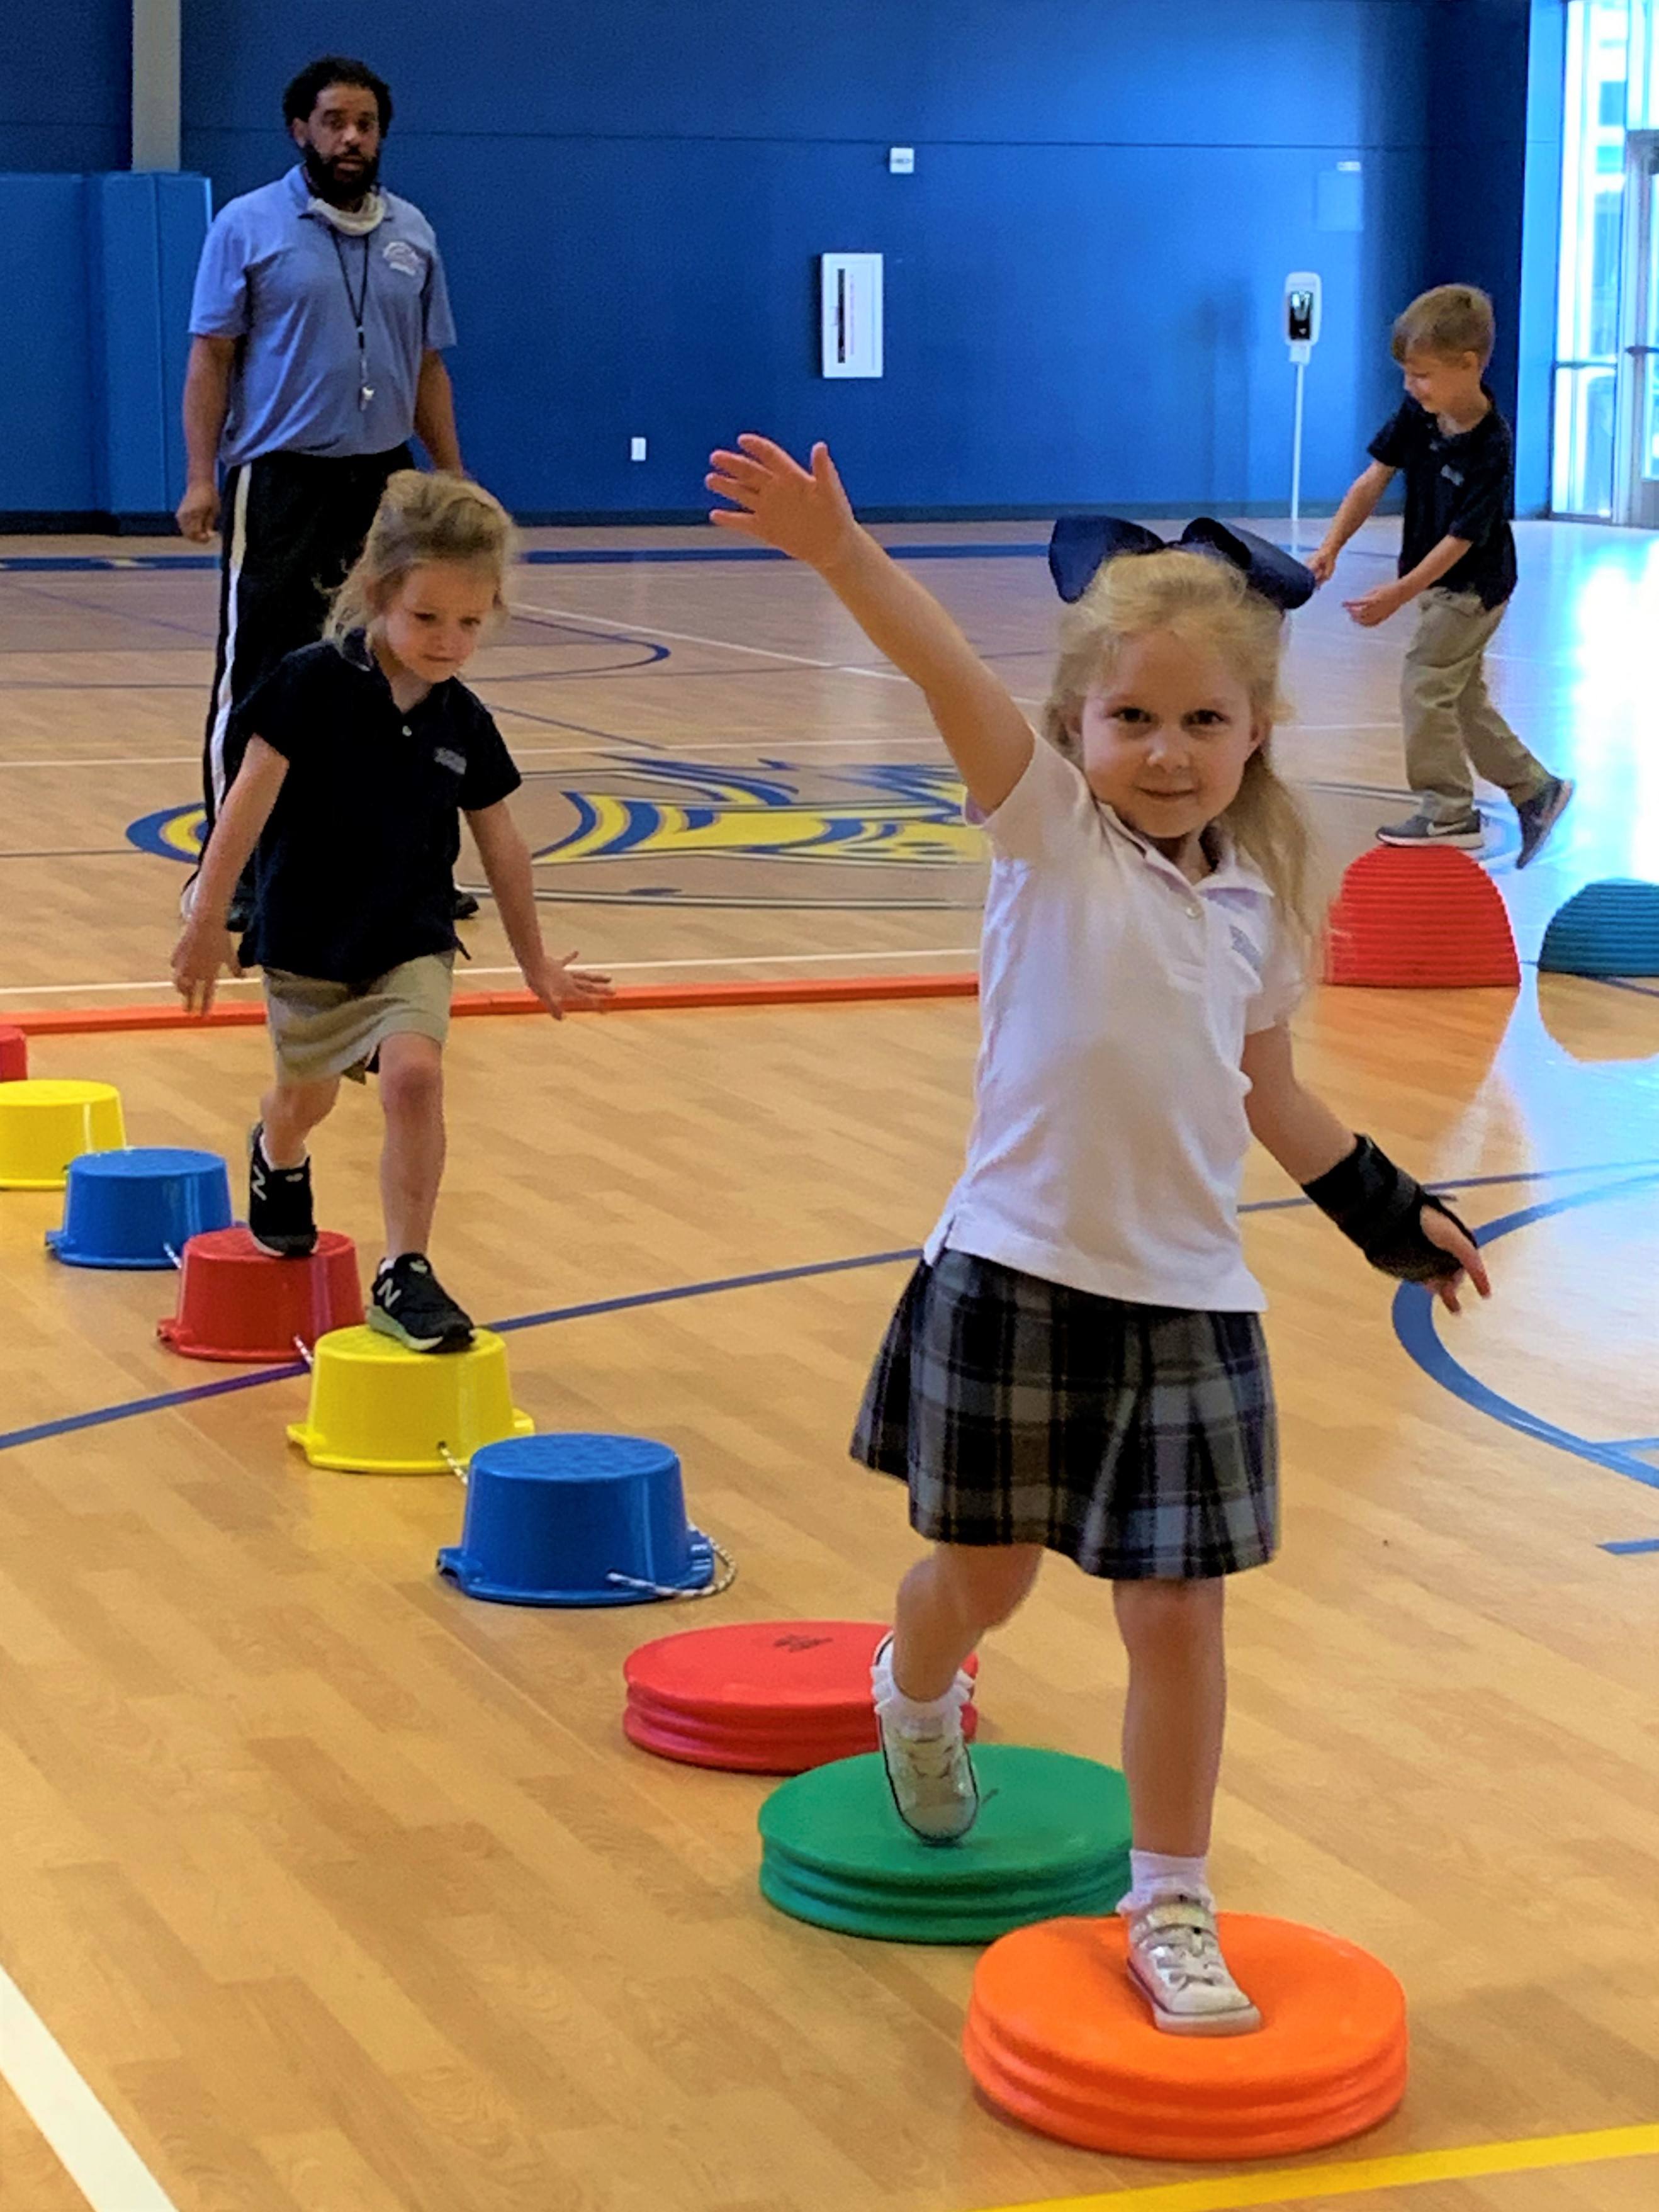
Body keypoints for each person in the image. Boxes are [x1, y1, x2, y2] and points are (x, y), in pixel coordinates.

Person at [706, 436, 1490, 2035]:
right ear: (1073, 727)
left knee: (1177, 1612)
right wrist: (843, 556)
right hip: (1011, 1275)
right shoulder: (1047, 840)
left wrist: (1385, 1210)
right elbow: (943, 679)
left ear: (1258, 729)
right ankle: (914, 1696)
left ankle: (1169, 1898)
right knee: (975, 1578)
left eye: (1204, 720)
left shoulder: (1257, 907)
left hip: (1189, 1305)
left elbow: (1269, 1094)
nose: (1167, 751)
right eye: (1129, 718)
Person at [169, 473, 612, 1352]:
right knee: (307, 1098)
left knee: (415, 1077)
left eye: (471, 624)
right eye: (427, 619)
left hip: (409, 937)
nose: (449, 641)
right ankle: (277, 1151)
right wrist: (206, 915)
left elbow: (504, 846)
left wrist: (535, 961)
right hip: (309, 937)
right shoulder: (306, 685)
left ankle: (405, 1267)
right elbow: (245, 805)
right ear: (379, 597)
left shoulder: (464, 721)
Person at [177, 54, 475, 920]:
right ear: (299, 129)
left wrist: (450, 474)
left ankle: (412, 859)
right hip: (280, 480)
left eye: (366, 124)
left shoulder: (414, 234)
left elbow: (427, 365)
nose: (351, 138)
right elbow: (212, 358)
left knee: (404, 667)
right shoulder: (247, 225)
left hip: (385, 485)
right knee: (264, 671)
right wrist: (203, 476)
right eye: (335, 121)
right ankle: (233, 874)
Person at [1309, 284, 1572, 866]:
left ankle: (1449, 811)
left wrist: (1400, 595)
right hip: (1439, 584)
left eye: (1422, 375)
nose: (1411, 386)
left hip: (1474, 586)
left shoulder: (1492, 444)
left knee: (1426, 683)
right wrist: (1331, 547)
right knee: (1459, 697)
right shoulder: (1418, 414)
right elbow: (1373, 479)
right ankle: (1536, 789)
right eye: (1407, 374)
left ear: (1468, 365)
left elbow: (1462, 540)